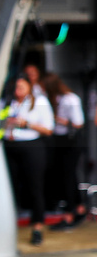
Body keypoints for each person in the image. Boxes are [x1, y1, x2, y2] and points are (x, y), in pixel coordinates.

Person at [5, 76, 55, 245]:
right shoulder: (7, 102)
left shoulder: (39, 102)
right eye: (15, 87)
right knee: (10, 188)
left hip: (31, 146)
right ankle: (8, 227)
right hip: (10, 146)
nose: (17, 91)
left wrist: (26, 124)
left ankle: (37, 227)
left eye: (21, 87)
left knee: (35, 187)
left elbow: (48, 129)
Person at [43, 73, 85, 230]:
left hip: (71, 141)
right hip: (59, 140)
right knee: (66, 175)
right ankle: (79, 208)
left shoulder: (70, 99)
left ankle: (70, 214)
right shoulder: (57, 99)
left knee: (68, 176)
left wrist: (55, 118)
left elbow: (78, 123)